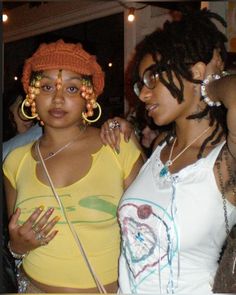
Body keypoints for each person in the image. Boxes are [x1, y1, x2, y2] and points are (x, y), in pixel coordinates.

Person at [100, 8, 236, 294]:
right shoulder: (161, 148)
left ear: (195, 72)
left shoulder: (225, 161)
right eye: (140, 85)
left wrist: (208, 85)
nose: (142, 94)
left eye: (152, 79)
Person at [3, 39, 144, 293]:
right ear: (32, 95)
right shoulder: (14, 161)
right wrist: (17, 247)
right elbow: (14, 243)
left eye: (71, 89)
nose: (57, 99)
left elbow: (149, 232)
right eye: (46, 87)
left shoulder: (118, 148)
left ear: (89, 97)